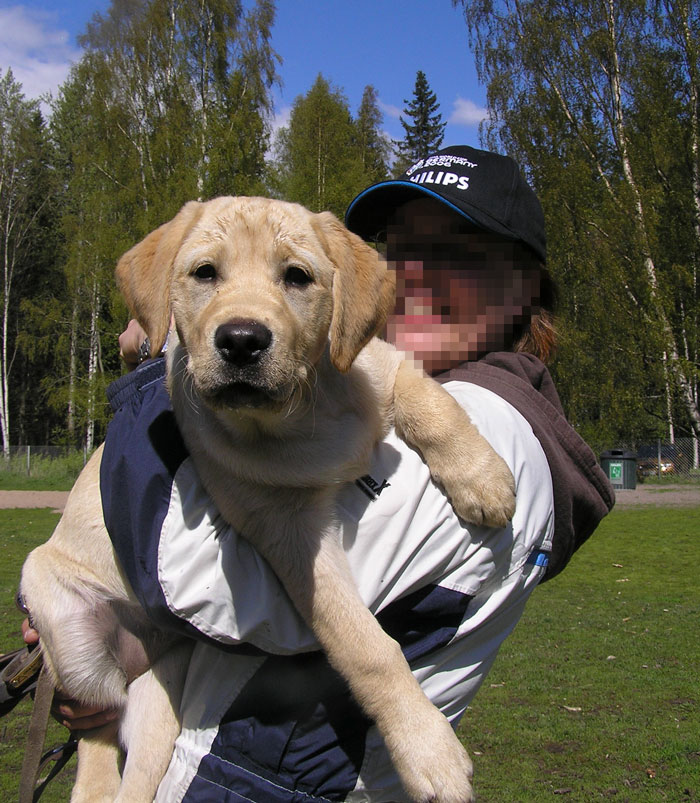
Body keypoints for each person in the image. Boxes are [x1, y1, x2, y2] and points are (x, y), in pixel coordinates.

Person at [24, 145, 614, 801]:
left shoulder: (494, 428)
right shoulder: (360, 381)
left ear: (524, 285)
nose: (414, 276)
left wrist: (150, 384)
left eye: (457, 255)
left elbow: (206, 586)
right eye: (401, 248)